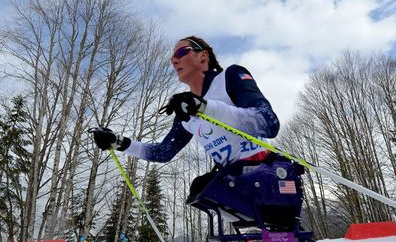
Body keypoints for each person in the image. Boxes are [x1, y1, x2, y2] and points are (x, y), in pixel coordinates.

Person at [91, 35, 284, 207]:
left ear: (203, 56)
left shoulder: (229, 77)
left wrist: (203, 107)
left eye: (181, 52)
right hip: (234, 181)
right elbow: (163, 152)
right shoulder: (185, 110)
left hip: (265, 174)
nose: (174, 60)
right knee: (198, 188)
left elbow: (268, 121)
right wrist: (119, 143)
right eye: (172, 59)